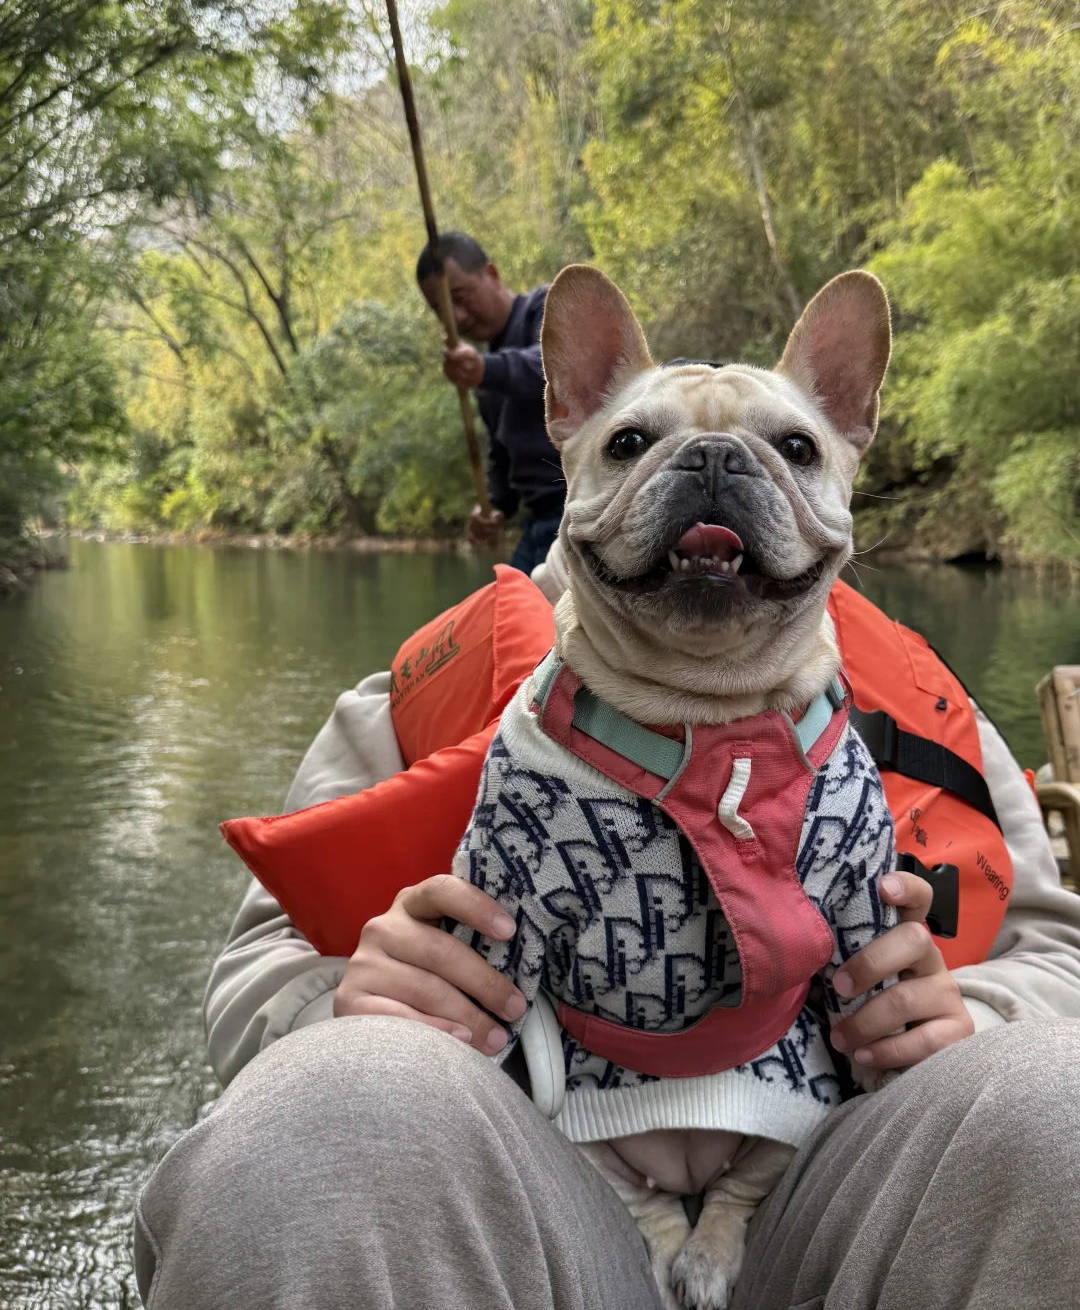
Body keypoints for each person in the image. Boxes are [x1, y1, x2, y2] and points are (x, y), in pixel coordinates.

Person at [134, 553, 1080, 1310]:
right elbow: (260, 960)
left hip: (842, 1178)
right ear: (570, 441)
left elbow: (1056, 953)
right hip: (533, 1177)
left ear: (840, 467)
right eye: (640, 442)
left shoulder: (915, 690)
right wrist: (343, 1004)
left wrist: (977, 1018)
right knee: (332, 1109)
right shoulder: (424, 685)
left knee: (1055, 1101)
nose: (712, 482)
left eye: (781, 448)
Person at [416, 231, 564, 575]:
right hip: (539, 523)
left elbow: (559, 367)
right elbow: (503, 456)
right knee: (502, 616)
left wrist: (486, 370)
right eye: (442, 310)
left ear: (492, 275)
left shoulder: (545, 307)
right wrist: (493, 506)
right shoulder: (484, 378)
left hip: (587, 511)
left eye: (461, 297)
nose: (459, 317)